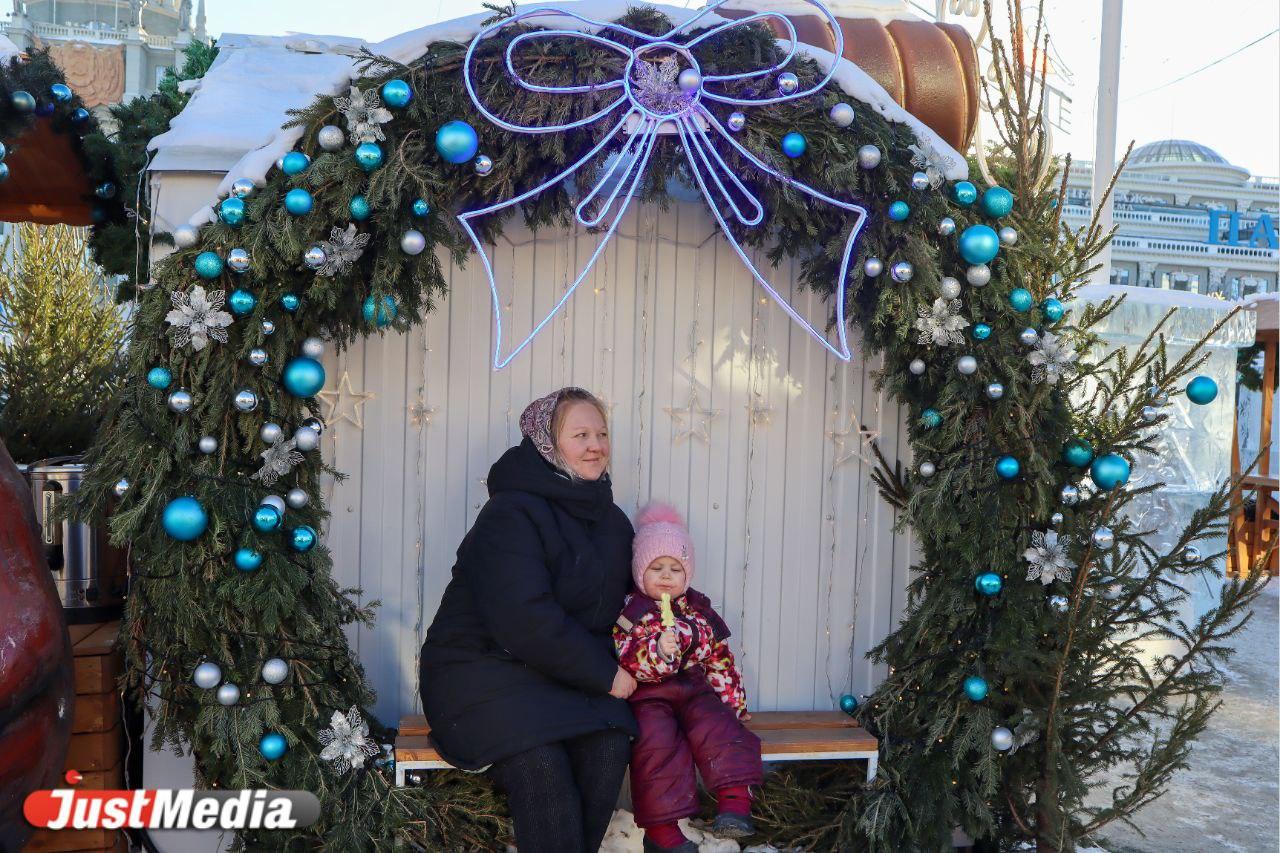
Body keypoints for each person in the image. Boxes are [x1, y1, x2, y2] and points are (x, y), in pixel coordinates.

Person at [420, 387, 638, 852]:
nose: (596, 445)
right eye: (580, 435)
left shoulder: (612, 522)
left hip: (558, 676)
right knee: (540, 761)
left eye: (601, 434)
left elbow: (623, 609)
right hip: (480, 670)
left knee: (608, 745)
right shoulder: (511, 512)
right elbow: (522, 618)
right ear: (547, 444)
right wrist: (604, 675)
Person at [614, 503, 763, 853]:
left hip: (694, 689)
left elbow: (719, 659)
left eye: (676, 568)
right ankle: (662, 833)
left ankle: (735, 804)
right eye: (656, 567)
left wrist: (734, 703)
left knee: (719, 725)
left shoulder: (698, 610)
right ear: (640, 571)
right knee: (656, 745)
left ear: (688, 574)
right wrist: (657, 650)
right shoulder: (632, 611)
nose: (666, 576)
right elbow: (625, 654)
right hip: (649, 695)